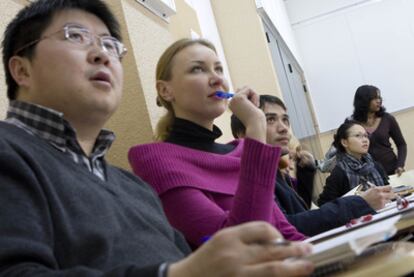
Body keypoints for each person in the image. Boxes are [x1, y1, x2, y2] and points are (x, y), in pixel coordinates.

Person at [0, 0, 315, 276]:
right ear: (21, 70)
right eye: (76, 36)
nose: (101, 54)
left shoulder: (131, 187)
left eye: (111, 45)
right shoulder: (10, 151)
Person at [128, 38, 306, 248]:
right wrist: (256, 125)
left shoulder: (239, 152)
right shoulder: (156, 162)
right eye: (197, 69)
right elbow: (243, 245)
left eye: (219, 69)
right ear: (166, 90)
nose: (216, 79)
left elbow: (284, 232)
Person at [231, 95, 393, 236]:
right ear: (244, 133)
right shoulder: (246, 177)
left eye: (285, 120)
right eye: (270, 120)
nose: (284, 129)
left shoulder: (276, 174)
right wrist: (358, 203)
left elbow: (302, 213)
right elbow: (287, 228)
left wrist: (306, 172)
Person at [318, 121, 391, 205]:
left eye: (365, 136)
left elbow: (387, 192)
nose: (365, 140)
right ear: (344, 142)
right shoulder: (339, 173)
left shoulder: (375, 166)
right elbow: (324, 205)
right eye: (358, 136)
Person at [350, 85, 407, 176]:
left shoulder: (388, 118)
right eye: (374, 98)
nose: (379, 101)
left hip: (393, 171)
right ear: (364, 101)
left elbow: (401, 144)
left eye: (379, 98)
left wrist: (400, 165)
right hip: (368, 175)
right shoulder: (351, 124)